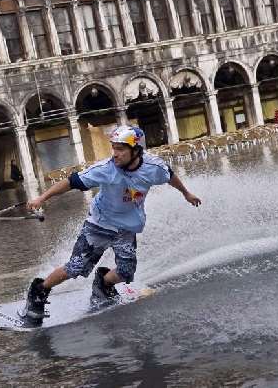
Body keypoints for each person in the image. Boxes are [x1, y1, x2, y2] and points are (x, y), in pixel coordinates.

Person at [24, 125, 201, 321]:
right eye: (113, 148)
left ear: (135, 150)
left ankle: (103, 284)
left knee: (126, 272)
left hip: (126, 228)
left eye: (120, 149)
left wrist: (186, 193)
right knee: (75, 267)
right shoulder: (105, 169)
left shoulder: (153, 167)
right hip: (99, 224)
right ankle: (39, 290)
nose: (115, 154)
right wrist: (42, 198)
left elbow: (169, 175)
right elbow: (71, 182)